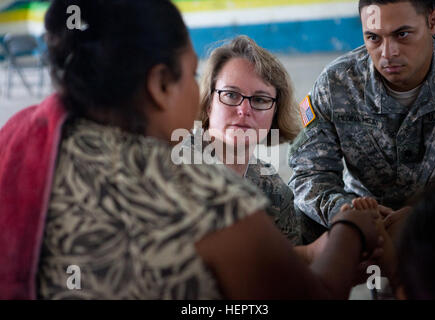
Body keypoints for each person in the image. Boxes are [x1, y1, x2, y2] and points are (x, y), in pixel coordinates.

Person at [0, 0, 383, 299]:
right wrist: (351, 228)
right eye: (191, 74)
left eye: (260, 101)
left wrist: (309, 254)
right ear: (160, 85)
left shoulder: (25, 142)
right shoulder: (199, 190)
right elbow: (312, 295)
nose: (243, 110)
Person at [288, 0, 435, 243]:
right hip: (360, 212)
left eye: (402, 34)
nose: (388, 53)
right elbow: (310, 173)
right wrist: (346, 214)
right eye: (374, 38)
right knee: (291, 223)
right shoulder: (338, 83)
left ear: (433, 21)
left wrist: (426, 216)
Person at [194, 35, 305, 244]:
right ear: (209, 103)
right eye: (231, 95)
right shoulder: (165, 167)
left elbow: (289, 271)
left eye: (260, 100)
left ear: (275, 113)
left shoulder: (276, 195)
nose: (244, 110)